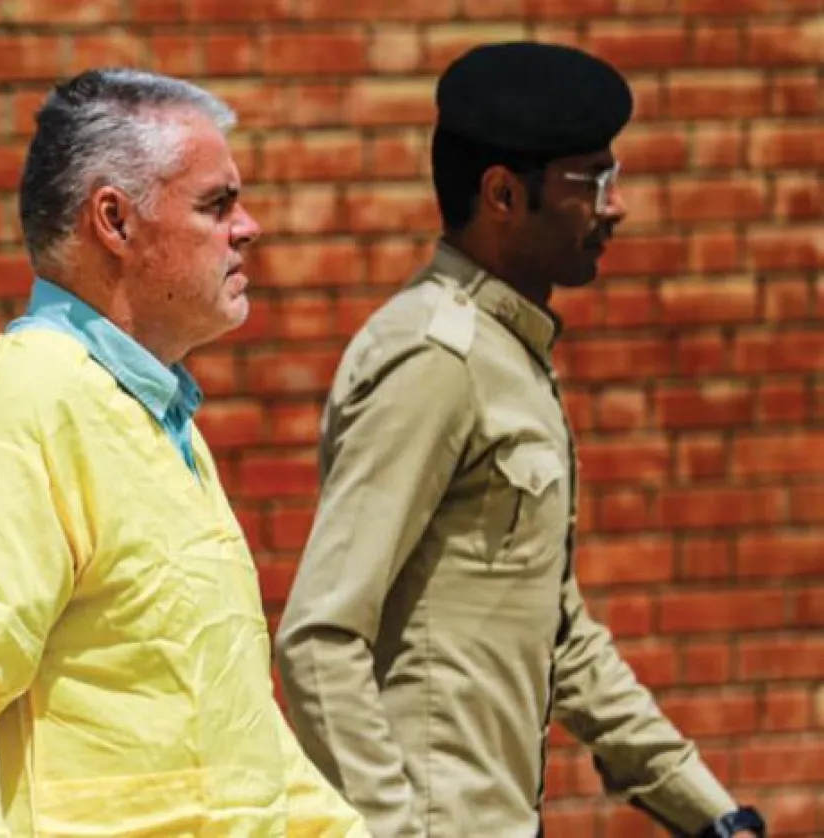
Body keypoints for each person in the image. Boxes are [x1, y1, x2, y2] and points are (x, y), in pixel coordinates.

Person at [274, 41, 765, 838]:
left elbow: (560, 634)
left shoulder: (506, 354)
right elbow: (319, 635)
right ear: (503, 193)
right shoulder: (436, 357)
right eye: (593, 182)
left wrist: (709, 813)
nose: (616, 206)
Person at [0, 68, 370, 838]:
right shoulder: (25, 405)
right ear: (115, 222)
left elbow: (236, 725)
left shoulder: (157, 412)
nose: (248, 227)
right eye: (217, 205)